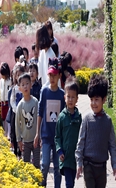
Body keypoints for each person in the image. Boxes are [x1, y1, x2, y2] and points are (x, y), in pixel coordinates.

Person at [75, 74, 116, 188]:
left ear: (104, 99)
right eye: (91, 99)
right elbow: (81, 142)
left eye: (97, 100)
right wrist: (79, 163)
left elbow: (112, 145)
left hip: (102, 167)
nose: (93, 103)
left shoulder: (108, 121)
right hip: (88, 165)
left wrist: (114, 164)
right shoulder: (87, 119)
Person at [34, 57, 66, 188]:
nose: (52, 78)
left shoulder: (62, 95)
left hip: (58, 139)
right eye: (49, 75)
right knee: (45, 164)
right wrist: (38, 134)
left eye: (54, 75)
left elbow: (64, 118)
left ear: (59, 76)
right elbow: (40, 112)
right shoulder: (44, 91)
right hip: (46, 136)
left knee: (58, 168)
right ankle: (43, 184)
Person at [55, 78, 82, 188]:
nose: (70, 99)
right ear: (64, 97)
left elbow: (82, 136)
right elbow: (57, 136)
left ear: (77, 99)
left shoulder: (79, 118)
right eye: (68, 96)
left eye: (73, 97)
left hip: (74, 157)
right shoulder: (61, 117)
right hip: (65, 157)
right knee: (69, 184)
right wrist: (59, 150)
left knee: (72, 183)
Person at [15, 73, 40, 168]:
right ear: (19, 88)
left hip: (36, 140)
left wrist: (39, 135)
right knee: (26, 165)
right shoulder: (20, 106)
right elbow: (17, 124)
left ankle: (38, 182)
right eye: (22, 84)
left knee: (37, 164)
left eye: (27, 83)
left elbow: (39, 119)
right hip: (25, 141)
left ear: (31, 85)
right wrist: (19, 140)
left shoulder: (36, 102)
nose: (25, 86)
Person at [10, 63, 26, 158]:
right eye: (17, 75)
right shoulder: (14, 89)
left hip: (23, 114)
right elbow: (12, 101)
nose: (19, 76)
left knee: (23, 132)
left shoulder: (25, 88)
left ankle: (22, 151)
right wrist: (16, 109)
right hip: (15, 113)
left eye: (21, 74)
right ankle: (16, 152)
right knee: (15, 131)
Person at [0, 62, 12, 138]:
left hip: (8, 102)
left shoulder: (10, 81)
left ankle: (9, 135)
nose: (3, 76)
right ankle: (5, 132)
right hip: (2, 102)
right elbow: (0, 91)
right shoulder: (1, 81)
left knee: (8, 119)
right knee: (3, 118)